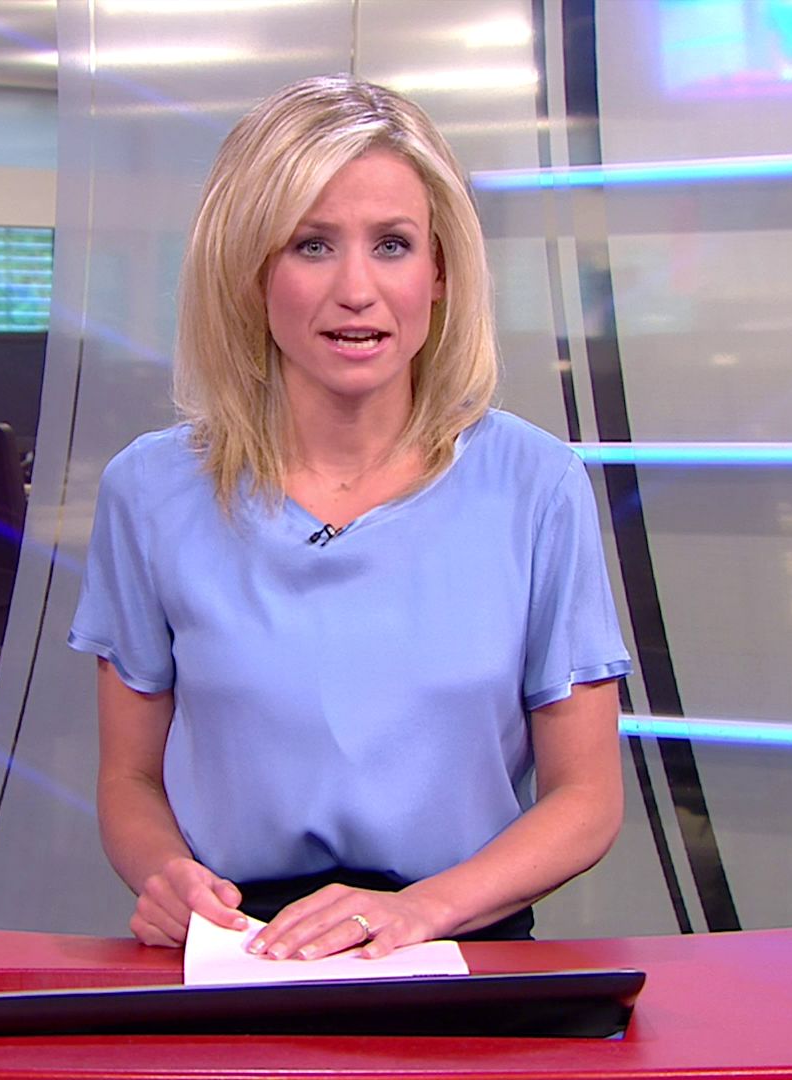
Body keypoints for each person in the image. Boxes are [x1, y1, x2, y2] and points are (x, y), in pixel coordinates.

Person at [67, 74, 632, 962]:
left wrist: (420, 912)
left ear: (440, 272)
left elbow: (586, 798)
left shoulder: (536, 485)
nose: (357, 289)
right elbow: (129, 777)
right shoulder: (150, 490)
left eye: (393, 245)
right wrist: (167, 877)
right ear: (251, 271)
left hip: (457, 941)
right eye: (313, 245)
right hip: (242, 951)